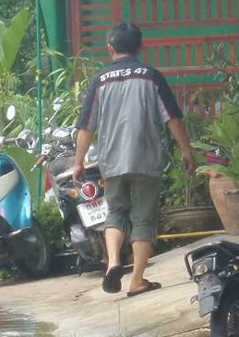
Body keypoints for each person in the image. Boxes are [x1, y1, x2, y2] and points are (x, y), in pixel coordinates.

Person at [72, 22, 195, 297]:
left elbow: (86, 126)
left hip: (112, 160)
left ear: (110, 49)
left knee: (115, 212)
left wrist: (79, 162)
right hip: (146, 158)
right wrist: (187, 151)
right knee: (143, 219)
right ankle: (137, 279)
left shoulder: (100, 80)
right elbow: (172, 117)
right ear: (141, 47)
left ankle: (114, 261)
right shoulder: (151, 76)